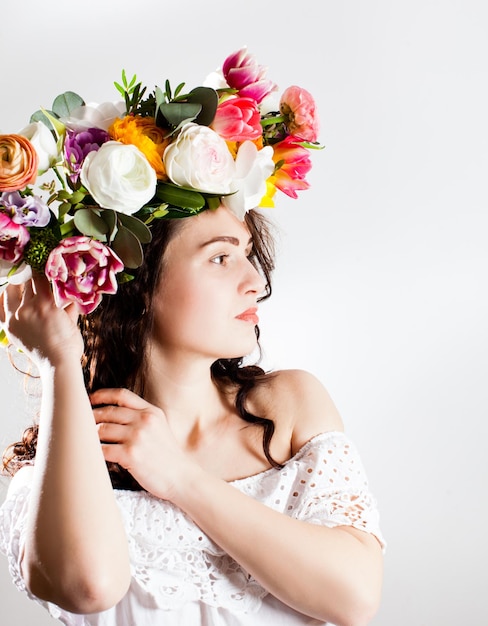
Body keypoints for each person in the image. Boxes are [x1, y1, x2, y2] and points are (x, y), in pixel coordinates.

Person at [0, 48, 385, 626]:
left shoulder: (289, 406)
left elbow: (354, 597)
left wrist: (177, 476)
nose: (255, 281)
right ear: (137, 285)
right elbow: (88, 586)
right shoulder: (59, 457)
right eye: (221, 258)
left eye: (250, 256)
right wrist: (59, 362)